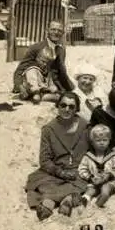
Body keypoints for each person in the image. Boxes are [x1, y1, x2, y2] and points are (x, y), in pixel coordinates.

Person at [25, 92, 88, 221]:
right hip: (55, 171)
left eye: (71, 106)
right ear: (57, 106)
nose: (67, 109)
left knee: (82, 182)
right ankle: (64, 199)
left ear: (77, 109)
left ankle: (52, 202)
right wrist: (61, 173)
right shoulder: (48, 129)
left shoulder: (85, 127)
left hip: (79, 171)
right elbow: (44, 160)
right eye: (63, 105)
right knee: (41, 181)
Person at [13, 20, 74, 103]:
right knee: (32, 74)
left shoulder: (61, 50)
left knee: (64, 96)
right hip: (34, 80)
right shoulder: (36, 47)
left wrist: (71, 88)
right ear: (47, 30)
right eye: (53, 29)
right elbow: (20, 69)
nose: (56, 32)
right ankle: (36, 94)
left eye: (59, 30)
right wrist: (19, 86)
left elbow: (62, 72)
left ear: (63, 33)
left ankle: (44, 96)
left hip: (49, 82)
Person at [78, 124, 115, 208]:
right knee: (89, 191)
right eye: (98, 140)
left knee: (105, 190)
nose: (102, 143)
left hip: (109, 181)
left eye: (105, 140)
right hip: (94, 181)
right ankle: (84, 202)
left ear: (109, 141)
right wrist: (90, 177)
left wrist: (109, 175)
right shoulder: (88, 156)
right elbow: (82, 169)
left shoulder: (113, 155)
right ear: (92, 142)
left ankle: (97, 205)